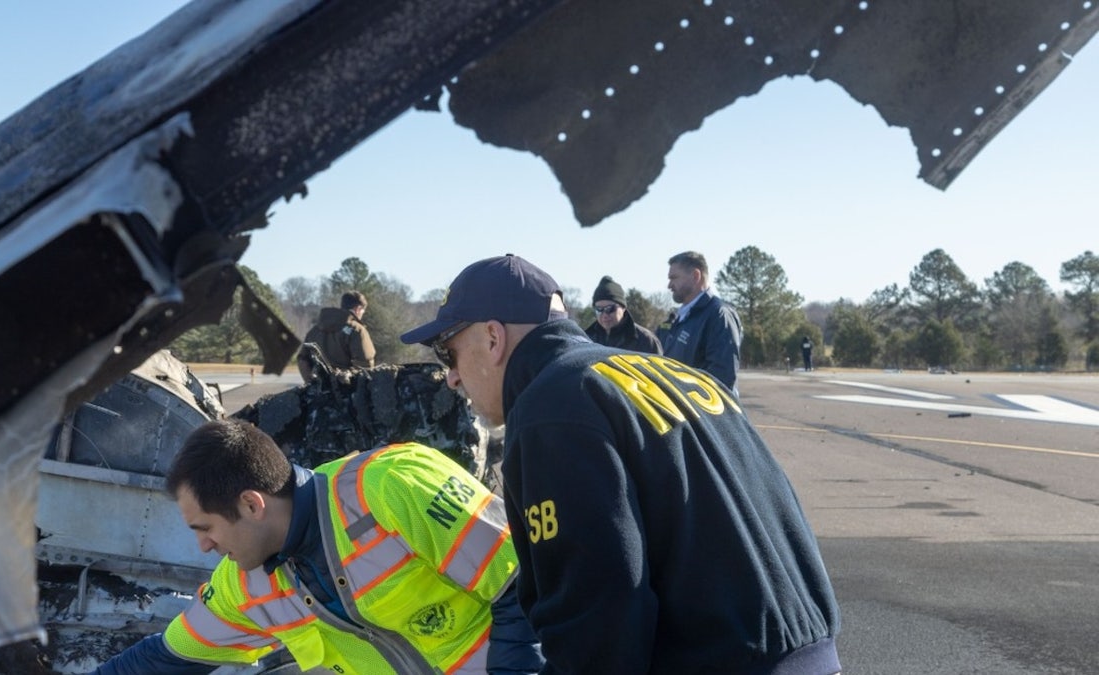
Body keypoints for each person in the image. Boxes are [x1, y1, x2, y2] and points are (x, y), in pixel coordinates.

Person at [400, 254, 840, 674]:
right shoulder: (678, 376)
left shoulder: (553, 405)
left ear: (493, 338)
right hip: (812, 653)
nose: (451, 376)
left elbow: (596, 618)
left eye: (447, 352)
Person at [92, 419, 543, 675]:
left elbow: (529, 585)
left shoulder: (394, 486)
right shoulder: (241, 586)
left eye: (204, 527)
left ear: (252, 504)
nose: (203, 546)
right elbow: (163, 659)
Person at [657, 251, 743, 394]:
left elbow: (722, 377)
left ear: (696, 276)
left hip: (705, 413)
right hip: (679, 409)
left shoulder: (719, 315)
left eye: (674, 278)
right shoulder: (679, 318)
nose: (669, 285)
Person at [584, 275, 662, 355]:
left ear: (623, 307)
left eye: (610, 309)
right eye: (599, 309)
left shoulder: (646, 341)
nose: (605, 315)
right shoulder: (586, 340)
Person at [303, 290, 376, 371]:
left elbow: (303, 359)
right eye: (363, 311)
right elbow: (365, 363)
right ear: (358, 309)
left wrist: (312, 380)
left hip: (320, 382)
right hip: (349, 382)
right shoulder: (356, 330)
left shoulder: (315, 330)